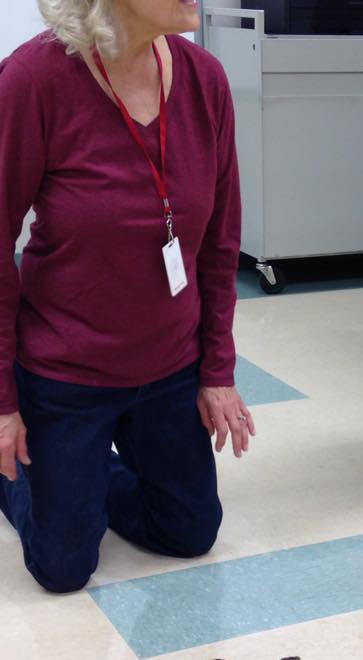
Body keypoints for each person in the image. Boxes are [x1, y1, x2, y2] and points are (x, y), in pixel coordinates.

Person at [0, 0, 254, 593]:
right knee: (63, 568)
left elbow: (221, 243)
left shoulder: (205, 81)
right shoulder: (32, 81)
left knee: (190, 531)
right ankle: (30, 480)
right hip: (65, 374)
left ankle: (82, 477)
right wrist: (3, 404)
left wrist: (217, 371)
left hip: (169, 367)